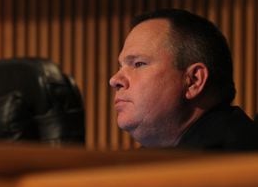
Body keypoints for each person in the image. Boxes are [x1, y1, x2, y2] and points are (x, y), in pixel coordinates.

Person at [109, 9, 258, 151]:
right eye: (121, 66)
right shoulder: (146, 163)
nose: (114, 80)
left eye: (138, 64)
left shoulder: (238, 164)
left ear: (193, 81)